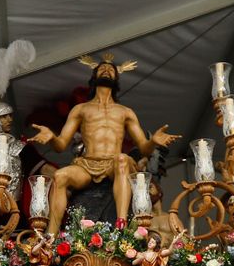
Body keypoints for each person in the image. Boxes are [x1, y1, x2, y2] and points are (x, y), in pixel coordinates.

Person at [27, 53, 180, 235]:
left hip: (114, 165)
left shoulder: (125, 112)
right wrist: (51, 137)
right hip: (86, 165)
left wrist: (153, 142)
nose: (106, 70)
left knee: (122, 159)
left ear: (116, 77)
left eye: (111, 70)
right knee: (60, 175)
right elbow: (60, 145)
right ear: (94, 76)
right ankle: (50, 236)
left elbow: (143, 147)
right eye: (102, 69)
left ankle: (121, 224)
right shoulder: (81, 109)